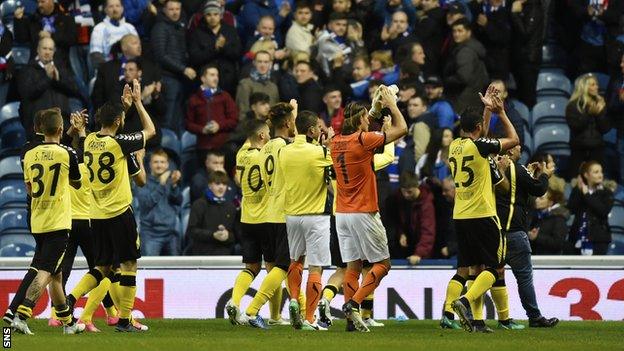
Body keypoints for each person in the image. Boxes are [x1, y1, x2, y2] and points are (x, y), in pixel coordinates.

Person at [66, 79, 156, 332]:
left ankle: (69, 301)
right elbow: (150, 131)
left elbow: (110, 128)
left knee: (102, 266)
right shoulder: (120, 144)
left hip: (96, 214)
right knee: (128, 265)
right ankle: (125, 319)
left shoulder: (89, 141)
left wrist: (122, 109)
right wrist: (137, 104)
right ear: (118, 121)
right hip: (119, 212)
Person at [330, 85, 408, 332]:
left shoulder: (335, 142)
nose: (368, 121)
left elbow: (360, 125)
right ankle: (354, 304)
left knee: (352, 266)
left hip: (342, 213)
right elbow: (402, 129)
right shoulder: (364, 140)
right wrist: (392, 104)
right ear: (360, 121)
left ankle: (352, 322)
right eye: (366, 118)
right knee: (383, 264)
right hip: (364, 211)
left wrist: (373, 110)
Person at [446, 86, 520, 333]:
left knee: (474, 269)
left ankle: (477, 322)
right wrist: (501, 112)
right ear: (477, 127)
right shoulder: (480, 146)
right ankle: (464, 301)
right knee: (495, 267)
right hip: (483, 214)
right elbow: (514, 140)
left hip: (461, 215)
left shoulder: (455, 145)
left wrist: (486, 109)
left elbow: (482, 136)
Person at [11, 108, 84, 335]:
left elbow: (30, 189)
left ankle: (68, 322)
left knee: (56, 273)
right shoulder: (66, 153)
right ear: (61, 130)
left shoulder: (30, 154)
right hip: (58, 221)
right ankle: (22, 314)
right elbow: (77, 182)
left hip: (38, 219)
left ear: (40, 130)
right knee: (46, 270)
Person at [225, 118, 283, 329]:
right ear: (261, 136)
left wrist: (260, 126)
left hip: (246, 219)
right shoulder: (266, 156)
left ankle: (235, 301)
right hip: (266, 220)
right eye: (267, 131)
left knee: (251, 267)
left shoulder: (242, 154)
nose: (269, 134)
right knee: (273, 269)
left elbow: (247, 142)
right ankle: (275, 316)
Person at [280, 110, 334, 330]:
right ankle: (310, 318)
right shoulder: (319, 152)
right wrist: (328, 146)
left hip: (292, 215)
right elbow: (334, 175)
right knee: (316, 267)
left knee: (296, 261)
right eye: (319, 127)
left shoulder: (284, 150)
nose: (321, 130)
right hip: (315, 216)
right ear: (311, 130)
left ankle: (293, 299)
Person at [495, 144, 560, 328]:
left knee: (491, 274)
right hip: (514, 232)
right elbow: (538, 190)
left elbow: (517, 194)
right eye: (517, 147)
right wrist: (545, 175)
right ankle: (534, 316)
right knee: (524, 277)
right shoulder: (517, 169)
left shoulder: (493, 170)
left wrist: (529, 174)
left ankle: (473, 310)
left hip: (494, 231)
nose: (520, 150)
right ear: (509, 151)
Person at [17, 37, 80, 140]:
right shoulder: (27, 70)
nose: (47, 52)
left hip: (63, 127)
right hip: (38, 129)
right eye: (44, 48)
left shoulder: (61, 68)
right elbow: (27, 93)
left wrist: (58, 80)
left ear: (54, 51)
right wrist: (47, 78)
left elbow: (75, 90)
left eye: (50, 49)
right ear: (38, 49)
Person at [151, 0, 195, 133]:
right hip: (167, 78)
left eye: (177, 9)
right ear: (164, 10)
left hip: (179, 78)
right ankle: (164, 151)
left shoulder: (179, 26)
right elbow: (161, 55)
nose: (175, 12)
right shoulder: (160, 27)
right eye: (171, 9)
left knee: (179, 118)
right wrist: (183, 69)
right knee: (168, 119)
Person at [91, 34, 161, 111]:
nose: (139, 46)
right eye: (134, 43)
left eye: (139, 43)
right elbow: (97, 96)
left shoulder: (150, 67)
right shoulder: (106, 68)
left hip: (142, 116)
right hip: (113, 115)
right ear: (124, 47)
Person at [185, 65, 238, 163]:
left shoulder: (225, 96)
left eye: (217, 75)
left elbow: (234, 120)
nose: (216, 78)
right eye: (212, 75)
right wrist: (202, 130)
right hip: (203, 148)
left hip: (223, 146)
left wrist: (219, 126)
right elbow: (188, 124)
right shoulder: (194, 100)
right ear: (203, 78)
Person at [188, 0, 242, 95]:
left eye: (215, 14)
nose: (212, 18)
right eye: (209, 15)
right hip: (206, 81)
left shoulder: (230, 31)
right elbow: (194, 58)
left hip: (228, 81)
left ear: (220, 15)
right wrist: (214, 48)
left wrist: (224, 47)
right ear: (204, 16)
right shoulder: (197, 33)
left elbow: (237, 53)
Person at [134, 149, 182, 256]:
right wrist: (161, 184)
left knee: (177, 271)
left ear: (167, 164)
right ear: (150, 165)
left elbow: (178, 201)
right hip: (151, 234)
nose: (159, 165)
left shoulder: (170, 180)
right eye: (156, 162)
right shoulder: (142, 182)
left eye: (162, 162)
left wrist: (174, 186)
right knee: (150, 270)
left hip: (171, 233)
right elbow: (146, 204)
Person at [566, 73, 611, 180]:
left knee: (596, 180)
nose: (597, 87)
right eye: (593, 85)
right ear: (584, 87)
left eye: (596, 84)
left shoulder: (600, 103)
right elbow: (575, 127)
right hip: (579, 150)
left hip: (597, 149)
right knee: (577, 181)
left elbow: (605, 128)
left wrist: (599, 114)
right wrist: (589, 114)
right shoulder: (573, 105)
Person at [386, 172, 435, 263]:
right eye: (403, 191)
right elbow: (395, 221)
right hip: (404, 249)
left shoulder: (426, 204)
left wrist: (419, 254)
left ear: (417, 186)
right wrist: (401, 233)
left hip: (422, 253)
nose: (406, 195)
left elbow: (427, 232)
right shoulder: (397, 198)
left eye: (410, 192)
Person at [443, 18, 489, 114]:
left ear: (468, 32)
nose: (456, 34)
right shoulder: (473, 48)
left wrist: (446, 81)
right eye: (454, 31)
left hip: (462, 100)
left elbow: (463, 77)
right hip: (473, 97)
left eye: (460, 31)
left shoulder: (465, 52)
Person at [568, 161, 614, 255]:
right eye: (596, 172)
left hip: (599, 239)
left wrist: (587, 195)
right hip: (577, 237)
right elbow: (571, 209)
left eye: (601, 172)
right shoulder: (578, 191)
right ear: (586, 175)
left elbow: (603, 211)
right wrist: (578, 190)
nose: (600, 175)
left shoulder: (607, 193)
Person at [13, 0, 78, 67]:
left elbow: (72, 40)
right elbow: (21, 39)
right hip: (36, 67)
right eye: (38, 2)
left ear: (52, 1)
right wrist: (18, 20)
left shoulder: (67, 19)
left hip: (61, 66)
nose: (39, 5)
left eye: (42, 2)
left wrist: (51, 36)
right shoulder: (32, 20)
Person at [186, 170, 237, 255]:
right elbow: (191, 231)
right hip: (202, 254)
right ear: (209, 185)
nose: (221, 187)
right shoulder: (199, 204)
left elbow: (236, 235)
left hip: (225, 254)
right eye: (217, 184)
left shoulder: (231, 207)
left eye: (224, 184)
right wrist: (213, 235)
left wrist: (228, 236)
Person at [510, 0, 545, 107]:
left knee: (528, 97)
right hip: (522, 58)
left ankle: (528, 121)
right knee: (520, 95)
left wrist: (515, 14)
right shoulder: (525, 6)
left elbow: (526, 32)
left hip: (529, 60)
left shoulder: (534, 8)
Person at [468, 0, 511, 81]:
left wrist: (487, 24)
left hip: (499, 64)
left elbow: (503, 37)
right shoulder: (482, 10)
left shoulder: (508, 10)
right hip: (483, 62)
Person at [89, 0, 138, 68]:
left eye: (117, 6)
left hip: (130, 69)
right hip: (108, 70)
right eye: (111, 6)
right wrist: (110, 70)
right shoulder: (99, 28)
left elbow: (137, 52)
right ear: (105, 10)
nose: (115, 9)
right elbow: (96, 55)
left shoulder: (130, 28)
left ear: (122, 9)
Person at [235, 51, 280, 120]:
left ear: (270, 64)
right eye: (259, 61)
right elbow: (243, 113)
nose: (263, 65)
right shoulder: (245, 84)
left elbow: (276, 112)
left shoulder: (273, 87)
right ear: (254, 63)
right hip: (252, 127)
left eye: (266, 62)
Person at [531, 184, 570, 255]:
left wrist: (537, 237)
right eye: (536, 197)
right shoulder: (535, 215)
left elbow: (558, 243)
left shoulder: (559, 218)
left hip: (551, 260)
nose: (536, 200)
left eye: (541, 198)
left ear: (550, 202)